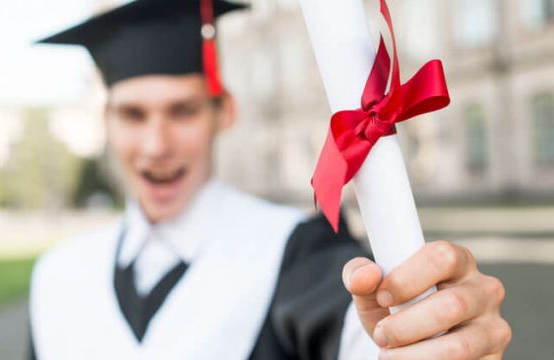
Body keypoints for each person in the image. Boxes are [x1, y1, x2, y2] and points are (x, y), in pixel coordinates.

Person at [28, 0, 511, 359]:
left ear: (225, 112)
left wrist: (435, 328)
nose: (157, 144)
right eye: (133, 115)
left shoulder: (296, 250)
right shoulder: (58, 275)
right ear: (106, 122)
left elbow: (358, 332)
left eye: (183, 111)